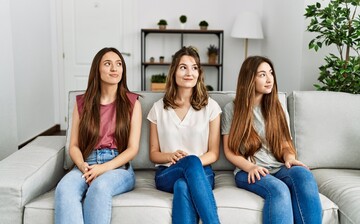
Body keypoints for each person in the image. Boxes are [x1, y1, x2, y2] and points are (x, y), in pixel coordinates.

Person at [221, 56, 322, 224]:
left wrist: (289, 157)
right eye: (262, 74)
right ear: (249, 79)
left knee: (304, 175)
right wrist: (251, 166)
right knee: (279, 190)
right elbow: (229, 151)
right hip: (248, 171)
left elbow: (284, 144)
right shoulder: (232, 109)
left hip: (278, 167)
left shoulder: (277, 107)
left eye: (271, 73)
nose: (269, 79)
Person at [55, 47, 142, 224]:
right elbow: (73, 146)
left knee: (99, 187)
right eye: (107, 64)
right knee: (64, 189)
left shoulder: (132, 102)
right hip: (85, 163)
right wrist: (83, 166)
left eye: (118, 64)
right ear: (97, 69)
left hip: (118, 166)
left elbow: (132, 149)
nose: (114, 69)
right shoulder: (82, 102)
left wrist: (102, 169)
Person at [147, 46, 221, 224]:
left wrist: (191, 163)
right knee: (185, 170)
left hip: (203, 173)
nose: (190, 72)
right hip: (167, 173)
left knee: (182, 185)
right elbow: (153, 153)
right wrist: (171, 156)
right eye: (183, 67)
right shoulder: (158, 109)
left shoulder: (211, 107)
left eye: (194, 67)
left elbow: (213, 153)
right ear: (173, 72)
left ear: (199, 73)